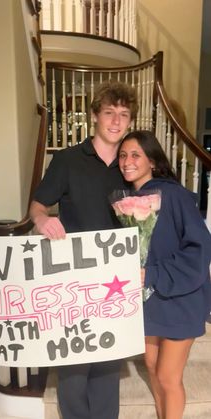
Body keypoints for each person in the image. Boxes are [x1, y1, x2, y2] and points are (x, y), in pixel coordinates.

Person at [29, 80, 138, 419]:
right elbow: (37, 206)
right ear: (94, 115)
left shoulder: (132, 166)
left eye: (124, 115)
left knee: (108, 366)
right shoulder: (66, 160)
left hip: (116, 282)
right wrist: (42, 221)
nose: (116, 122)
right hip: (72, 282)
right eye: (109, 113)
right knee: (74, 370)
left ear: (131, 121)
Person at [117, 130, 211, 419]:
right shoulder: (126, 202)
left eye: (135, 155)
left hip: (181, 296)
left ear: (153, 162)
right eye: (122, 155)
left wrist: (154, 273)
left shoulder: (173, 194)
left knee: (169, 377)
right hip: (149, 298)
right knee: (152, 366)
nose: (127, 161)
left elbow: (199, 247)